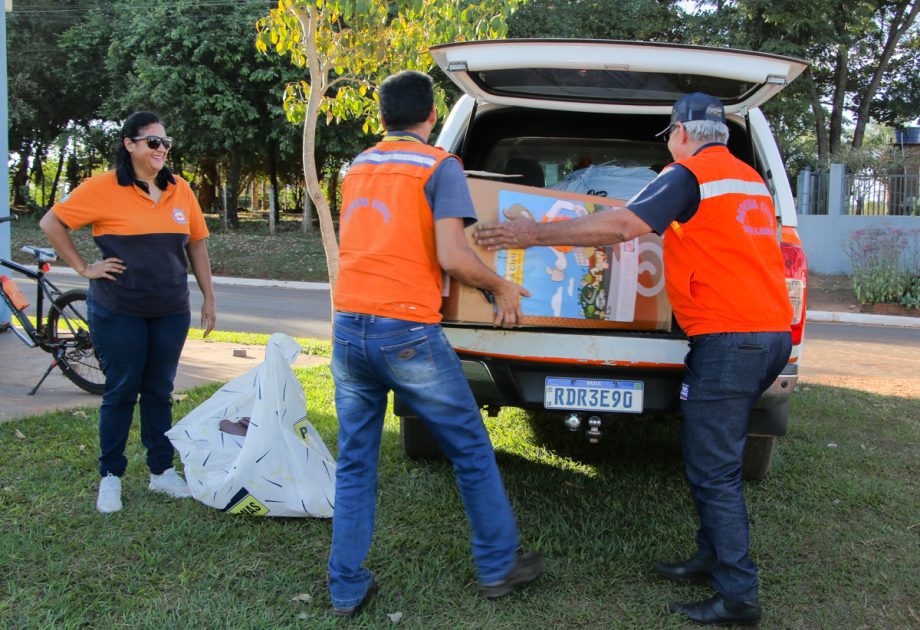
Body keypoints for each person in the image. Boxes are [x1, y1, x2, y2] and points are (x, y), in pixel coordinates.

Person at [475, 92, 793, 627]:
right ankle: (710, 557)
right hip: (766, 333)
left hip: (731, 338)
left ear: (683, 134)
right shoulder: (746, 179)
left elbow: (624, 226)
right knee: (706, 451)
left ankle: (739, 598)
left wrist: (533, 234)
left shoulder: (687, 175)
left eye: (670, 134)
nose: (670, 144)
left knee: (714, 470)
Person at [327, 70, 543, 618]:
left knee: (355, 462)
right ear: (430, 117)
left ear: (381, 120)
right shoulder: (438, 166)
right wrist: (500, 285)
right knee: (470, 449)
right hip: (406, 333)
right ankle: (498, 566)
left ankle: (345, 586)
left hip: (349, 326)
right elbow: (451, 254)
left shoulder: (357, 167)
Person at [40, 111, 216, 514]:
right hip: (119, 310)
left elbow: (197, 244)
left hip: (170, 310)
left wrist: (208, 296)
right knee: (121, 391)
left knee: (159, 390)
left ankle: (160, 472)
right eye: (153, 142)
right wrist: (84, 268)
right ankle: (111, 476)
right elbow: (52, 221)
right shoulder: (102, 187)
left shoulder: (180, 189)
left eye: (166, 143)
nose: (161, 149)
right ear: (130, 145)